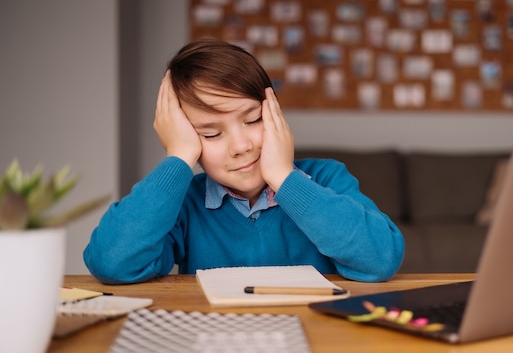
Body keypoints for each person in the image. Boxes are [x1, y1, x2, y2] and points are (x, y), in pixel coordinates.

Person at [84, 38, 405, 284]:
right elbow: (112, 262)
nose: (241, 146)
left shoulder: (326, 178)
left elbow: (380, 259)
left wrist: (283, 177)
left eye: (252, 120)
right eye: (210, 134)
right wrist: (178, 157)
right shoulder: (184, 204)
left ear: (274, 112)